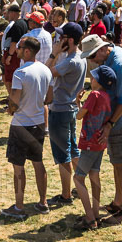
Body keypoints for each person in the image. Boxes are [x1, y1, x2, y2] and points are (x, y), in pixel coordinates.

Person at [80, 34, 122, 224]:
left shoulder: (119, 64)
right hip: (119, 119)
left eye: (92, 56)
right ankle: (119, 202)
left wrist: (109, 124)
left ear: (102, 49)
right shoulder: (113, 57)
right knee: (117, 162)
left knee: (121, 163)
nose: (92, 61)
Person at [1, 36, 53, 218]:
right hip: (38, 123)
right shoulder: (46, 70)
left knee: (18, 168)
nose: (17, 50)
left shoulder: (20, 73)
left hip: (21, 124)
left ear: (28, 51)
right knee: (38, 163)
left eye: (20, 47)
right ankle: (43, 202)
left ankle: (19, 207)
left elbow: (14, 101)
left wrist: (9, 108)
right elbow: (49, 98)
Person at [45, 23, 87, 206]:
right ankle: (80, 185)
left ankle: (66, 195)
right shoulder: (80, 57)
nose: (59, 40)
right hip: (70, 109)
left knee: (63, 155)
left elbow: (45, 73)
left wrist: (53, 54)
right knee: (72, 149)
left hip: (60, 110)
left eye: (62, 38)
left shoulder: (69, 61)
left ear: (69, 40)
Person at [74, 66, 114, 229]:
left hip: (89, 143)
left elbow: (79, 115)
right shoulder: (106, 96)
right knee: (94, 175)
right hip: (99, 143)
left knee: (78, 178)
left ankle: (90, 218)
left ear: (99, 81)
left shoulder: (95, 95)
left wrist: (78, 102)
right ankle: (96, 212)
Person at [2, 4, 28, 90]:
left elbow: (14, 42)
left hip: (13, 56)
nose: (7, 16)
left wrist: (9, 56)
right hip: (17, 54)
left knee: (10, 79)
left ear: (12, 13)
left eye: (8, 13)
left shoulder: (17, 25)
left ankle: (13, 100)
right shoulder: (23, 22)